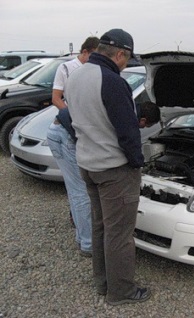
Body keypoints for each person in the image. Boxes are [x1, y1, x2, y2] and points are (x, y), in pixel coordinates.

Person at [66, 29, 161, 306]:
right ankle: (121, 292)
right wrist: (137, 163)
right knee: (120, 234)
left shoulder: (76, 75)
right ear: (120, 54)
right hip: (113, 171)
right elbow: (128, 133)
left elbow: (74, 119)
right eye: (126, 58)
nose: (125, 64)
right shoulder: (112, 81)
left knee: (101, 227)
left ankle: (103, 282)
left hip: (88, 164)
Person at [46, 36, 99, 257]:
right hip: (67, 131)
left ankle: (81, 233)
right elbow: (56, 98)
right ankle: (87, 243)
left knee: (77, 190)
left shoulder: (94, 70)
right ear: (85, 52)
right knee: (81, 193)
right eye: (94, 55)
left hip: (67, 133)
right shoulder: (67, 68)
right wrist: (73, 114)